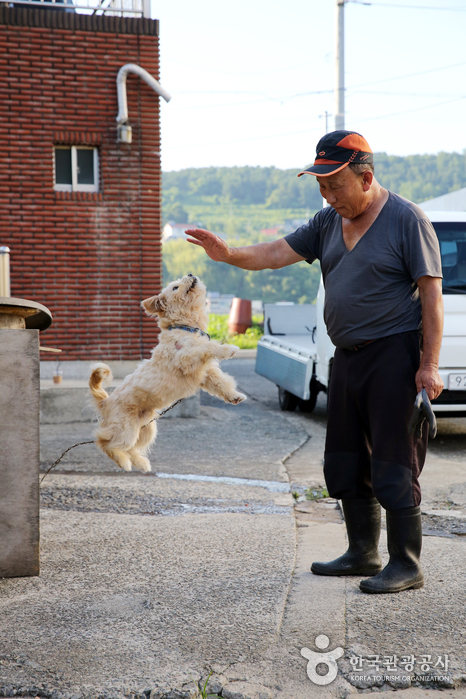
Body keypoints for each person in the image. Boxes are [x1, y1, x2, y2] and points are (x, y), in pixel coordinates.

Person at [185, 130, 444, 594]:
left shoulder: (408, 220)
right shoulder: (327, 222)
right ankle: (363, 552)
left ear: (366, 178)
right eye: (322, 187)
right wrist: (227, 254)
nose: (328, 196)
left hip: (394, 355)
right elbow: (274, 253)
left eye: (336, 186)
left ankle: (407, 564)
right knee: (346, 460)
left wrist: (429, 365)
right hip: (347, 357)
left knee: (394, 461)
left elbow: (432, 297)